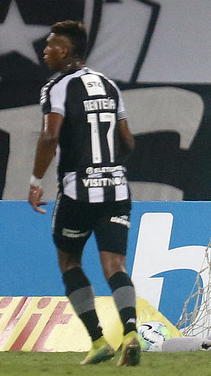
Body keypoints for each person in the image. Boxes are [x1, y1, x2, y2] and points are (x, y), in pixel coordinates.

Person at [27, 20, 140, 366]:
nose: (44, 52)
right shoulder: (109, 85)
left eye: (49, 46)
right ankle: (132, 332)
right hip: (117, 188)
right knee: (115, 264)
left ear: (64, 51)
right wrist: (110, 167)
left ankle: (98, 341)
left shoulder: (57, 88)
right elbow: (128, 141)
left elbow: (49, 137)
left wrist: (35, 180)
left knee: (69, 261)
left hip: (78, 190)